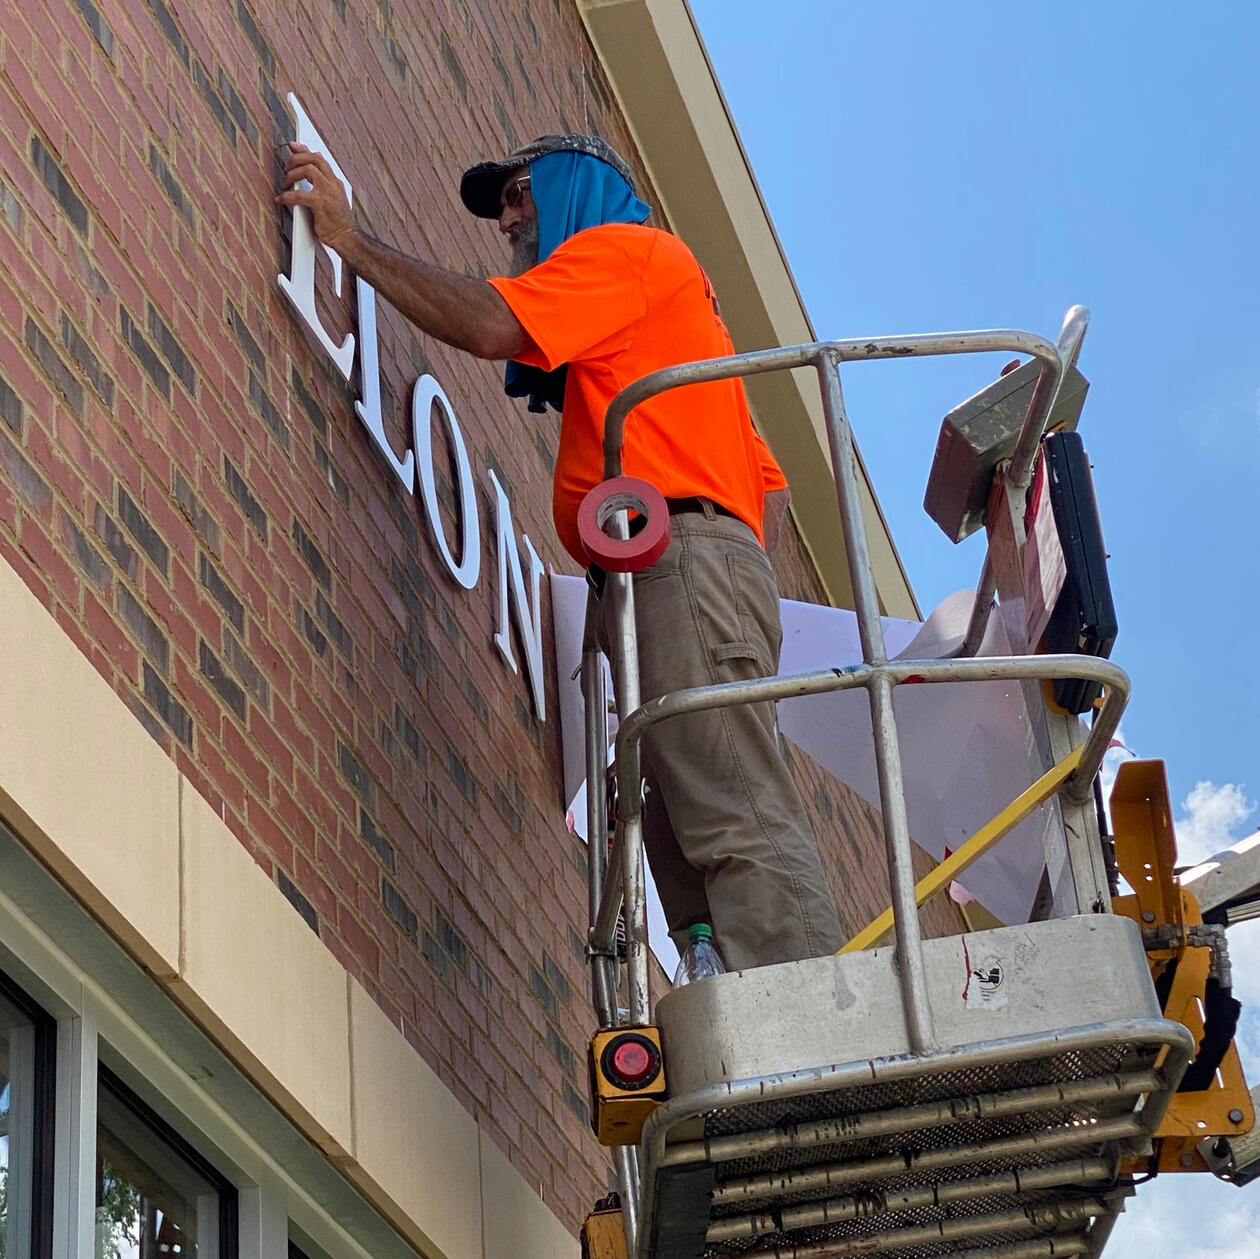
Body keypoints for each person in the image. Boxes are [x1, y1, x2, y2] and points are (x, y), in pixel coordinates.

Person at [277, 133, 844, 970]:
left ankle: (816, 1033)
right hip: (685, 568)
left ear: (578, 187)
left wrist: (349, 242)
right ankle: (746, 1023)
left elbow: (491, 324)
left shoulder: (628, 251)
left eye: (520, 192)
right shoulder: (674, 322)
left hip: (678, 561)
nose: (506, 215)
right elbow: (769, 485)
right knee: (688, 827)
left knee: (731, 812)